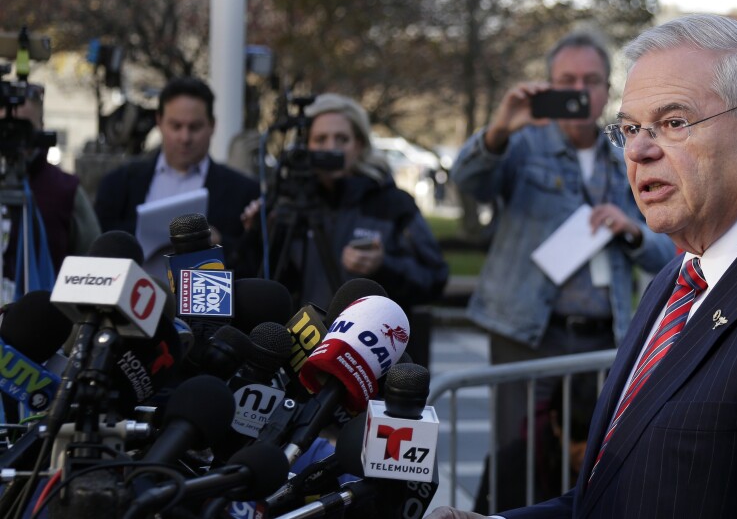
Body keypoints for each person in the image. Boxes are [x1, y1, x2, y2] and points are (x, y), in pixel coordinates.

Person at [428, 13, 737, 519]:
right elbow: (614, 495)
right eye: (629, 129)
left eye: (674, 123)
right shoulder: (679, 276)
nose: (639, 151)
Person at [450, 31, 676, 449]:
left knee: (590, 457)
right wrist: (499, 129)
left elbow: (668, 253)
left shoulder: (628, 154)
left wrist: (631, 232)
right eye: (567, 81)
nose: (579, 91)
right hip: (526, 333)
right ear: (548, 87)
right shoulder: (521, 143)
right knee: (518, 454)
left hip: (603, 338)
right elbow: (467, 181)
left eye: (591, 81)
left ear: (607, 90)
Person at [240, 93, 448, 355]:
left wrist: (383, 266)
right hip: (298, 348)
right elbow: (262, 281)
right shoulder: (287, 204)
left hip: (366, 351)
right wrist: (257, 233)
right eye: (321, 139)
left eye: (342, 139)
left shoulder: (392, 203)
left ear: (359, 144)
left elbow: (435, 277)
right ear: (305, 146)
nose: (331, 148)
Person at [93, 77, 260, 275]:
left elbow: (256, 266)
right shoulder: (118, 184)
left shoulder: (243, 191)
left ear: (212, 125)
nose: (185, 137)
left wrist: (219, 243)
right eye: (176, 126)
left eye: (194, 127)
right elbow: (99, 247)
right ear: (159, 122)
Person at [0, 82, 101, 300]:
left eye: (23, 128)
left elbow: (95, 264)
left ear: (41, 128)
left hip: (45, 315)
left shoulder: (66, 190)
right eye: (4, 127)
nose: (12, 137)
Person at [473, 375, 596, 515]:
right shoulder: (508, 466)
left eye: (592, 439)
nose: (584, 451)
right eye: (576, 438)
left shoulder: (605, 462)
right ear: (555, 422)